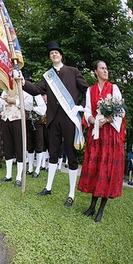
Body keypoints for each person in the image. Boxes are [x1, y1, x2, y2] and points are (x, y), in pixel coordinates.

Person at [22, 41, 89, 206]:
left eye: (56, 52)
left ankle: (71, 194)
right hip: (53, 120)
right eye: (51, 53)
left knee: (72, 156)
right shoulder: (48, 76)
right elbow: (37, 90)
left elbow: (87, 89)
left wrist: (81, 106)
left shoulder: (73, 72)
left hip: (70, 118)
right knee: (53, 153)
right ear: (50, 57)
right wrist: (22, 83)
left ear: (61, 55)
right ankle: (48, 186)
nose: (54, 54)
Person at [78, 60, 125, 222]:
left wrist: (107, 120)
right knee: (96, 167)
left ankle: (101, 209)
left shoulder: (114, 88)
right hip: (96, 133)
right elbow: (88, 111)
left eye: (106, 68)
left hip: (110, 135)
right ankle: (92, 206)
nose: (105, 71)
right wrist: (92, 120)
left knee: (106, 169)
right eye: (102, 68)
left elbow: (121, 111)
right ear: (95, 72)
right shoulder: (90, 90)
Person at [0, 89, 24, 187]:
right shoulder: (5, 91)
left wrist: (15, 101)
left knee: (19, 147)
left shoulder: (21, 89)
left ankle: (19, 177)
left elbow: (28, 105)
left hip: (17, 119)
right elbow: (0, 108)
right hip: (6, 119)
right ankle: (8, 175)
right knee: (7, 147)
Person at [23, 73, 47, 178]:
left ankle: (37, 169)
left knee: (39, 145)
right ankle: (30, 168)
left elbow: (43, 110)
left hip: (37, 122)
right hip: (28, 121)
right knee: (30, 146)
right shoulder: (23, 94)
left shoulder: (36, 95)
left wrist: (33, 108)